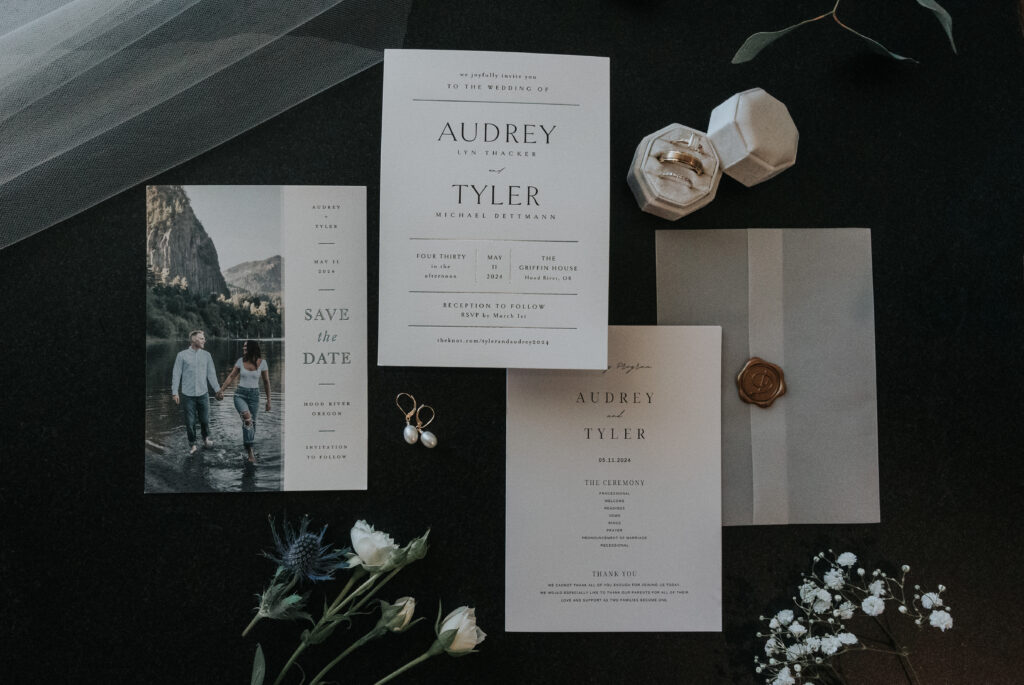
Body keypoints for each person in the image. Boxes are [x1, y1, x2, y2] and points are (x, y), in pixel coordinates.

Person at [171, 330, 223, 454]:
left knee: (205, 420)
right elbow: (176, 374)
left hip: (203, 394)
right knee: (190, 422)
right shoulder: (181, 355)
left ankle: (205, 439)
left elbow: (211, 375)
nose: (204, 340)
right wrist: (174, 392)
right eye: (201, 338)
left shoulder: (207, 355)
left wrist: (218, 390)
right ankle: (193, 444)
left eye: (204, 338)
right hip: (187, 395)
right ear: (194, 340)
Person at [219, 340, 272, 463]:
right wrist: (221, 390)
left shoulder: (263, 363)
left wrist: (268, 400)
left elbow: (266, 382)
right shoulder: (240, 362)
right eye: (243, 347)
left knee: (252, 423)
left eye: (245, 347)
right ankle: (250, 453)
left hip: (254, 396)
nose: (243, 349)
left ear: (252, 348)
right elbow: (231, 376)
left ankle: (248, 445)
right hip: (240, 395)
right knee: (247, 419)